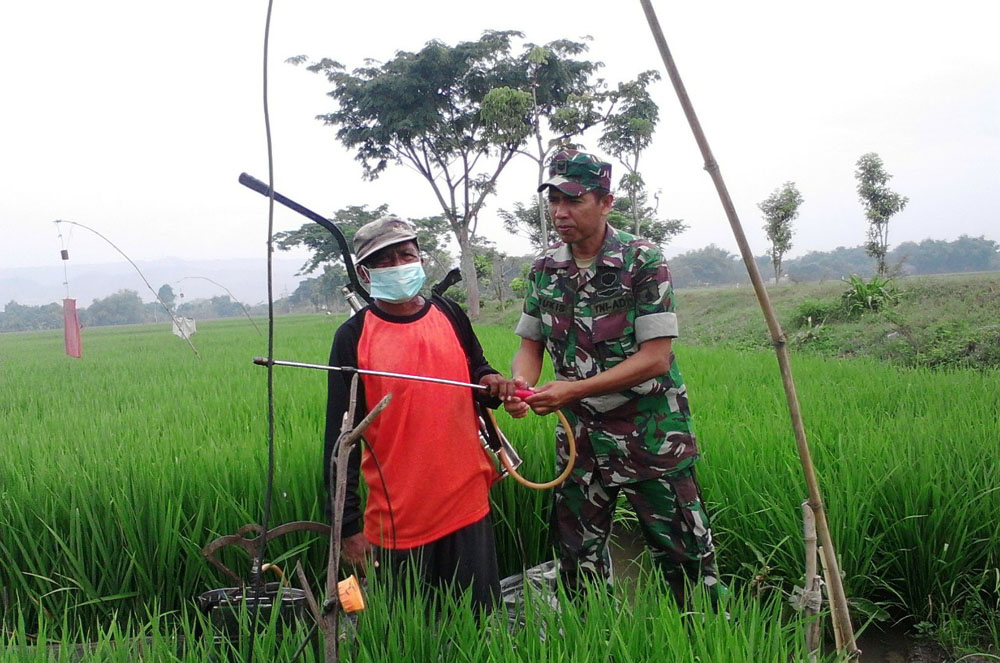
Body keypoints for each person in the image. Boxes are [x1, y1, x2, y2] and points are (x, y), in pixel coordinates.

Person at [507, 149, 722, 605]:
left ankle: (704, 638)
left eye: (574, 200)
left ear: (605, 201)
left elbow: (656, 358)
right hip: (581, 444)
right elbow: (530, 344)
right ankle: (594, 636)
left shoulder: (641, 260)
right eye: (554, 201)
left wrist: (572, 389)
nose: (560, 212)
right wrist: (523, 388)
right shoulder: (545, 270)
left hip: (649, 435)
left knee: (685, 556)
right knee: (575, 559)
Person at [324, 215, 518, 614]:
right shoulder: (353, 337)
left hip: (468, 505)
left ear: (420, 257)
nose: (398, 265)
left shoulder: (448, 312)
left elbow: (476, 371)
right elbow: (340, 439)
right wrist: (346, 528)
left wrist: (494, 382)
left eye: (405, 254)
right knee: (409, 635)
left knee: (478, 626)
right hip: (398, 520)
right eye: (384, 261)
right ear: (364, 272)